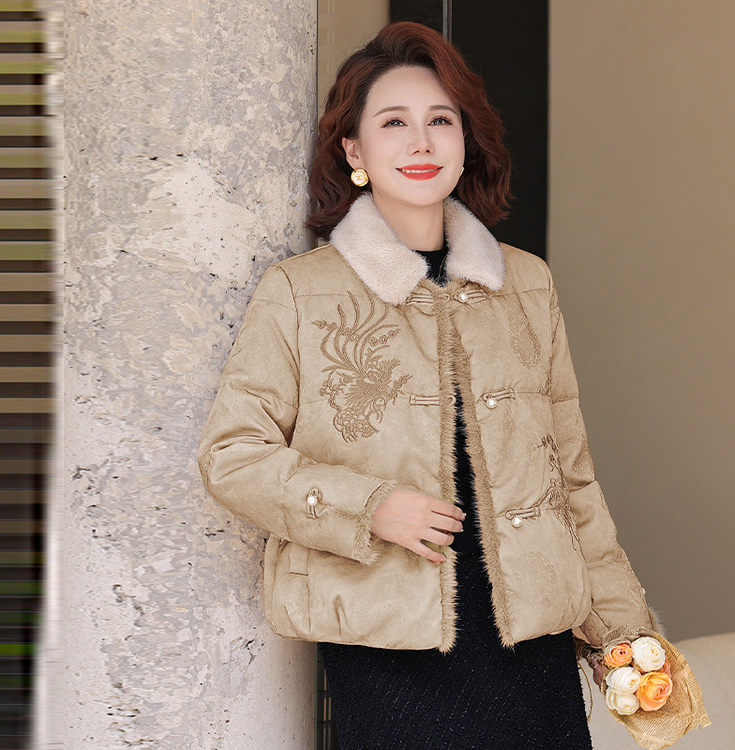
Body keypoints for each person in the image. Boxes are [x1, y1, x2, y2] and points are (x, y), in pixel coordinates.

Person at [198, 21, 653, 749]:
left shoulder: (526, 283)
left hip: (533, 643)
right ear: (354, 150)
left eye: (441, 120)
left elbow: (571, 479)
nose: (421, 142)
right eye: (394, 123)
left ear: (465, 140)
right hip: (388, 643)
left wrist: (623, 634)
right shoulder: (300, 292)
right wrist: (369, 505)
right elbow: (233, 455)